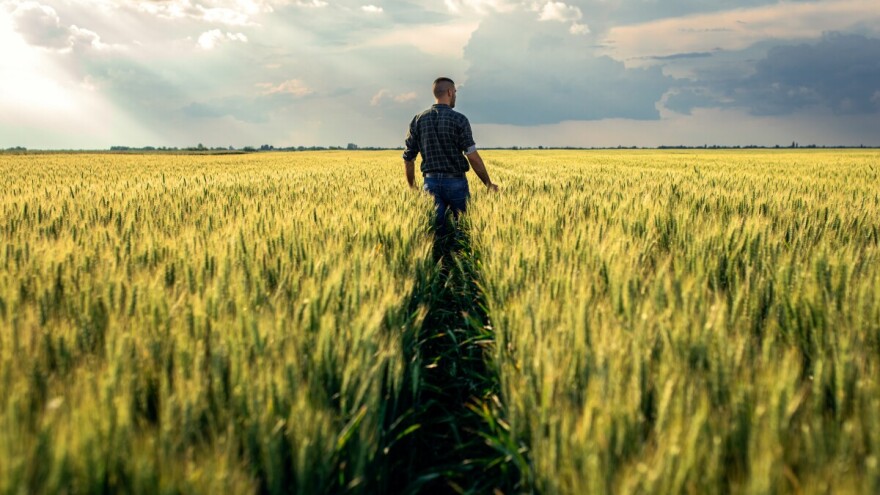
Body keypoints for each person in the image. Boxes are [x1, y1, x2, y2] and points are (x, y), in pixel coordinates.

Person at [402, 77, 498, 240]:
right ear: (449, 92)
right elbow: (472, 156)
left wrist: (412, 187)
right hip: (456, 183)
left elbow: (408, 158)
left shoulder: (418, 120)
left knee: (437, 232)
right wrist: (488, 183)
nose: (455, 96)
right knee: (464, 229)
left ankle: (440, 254)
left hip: (430, 183)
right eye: (455, 92)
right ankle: (459, 252)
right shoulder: (459, 119)